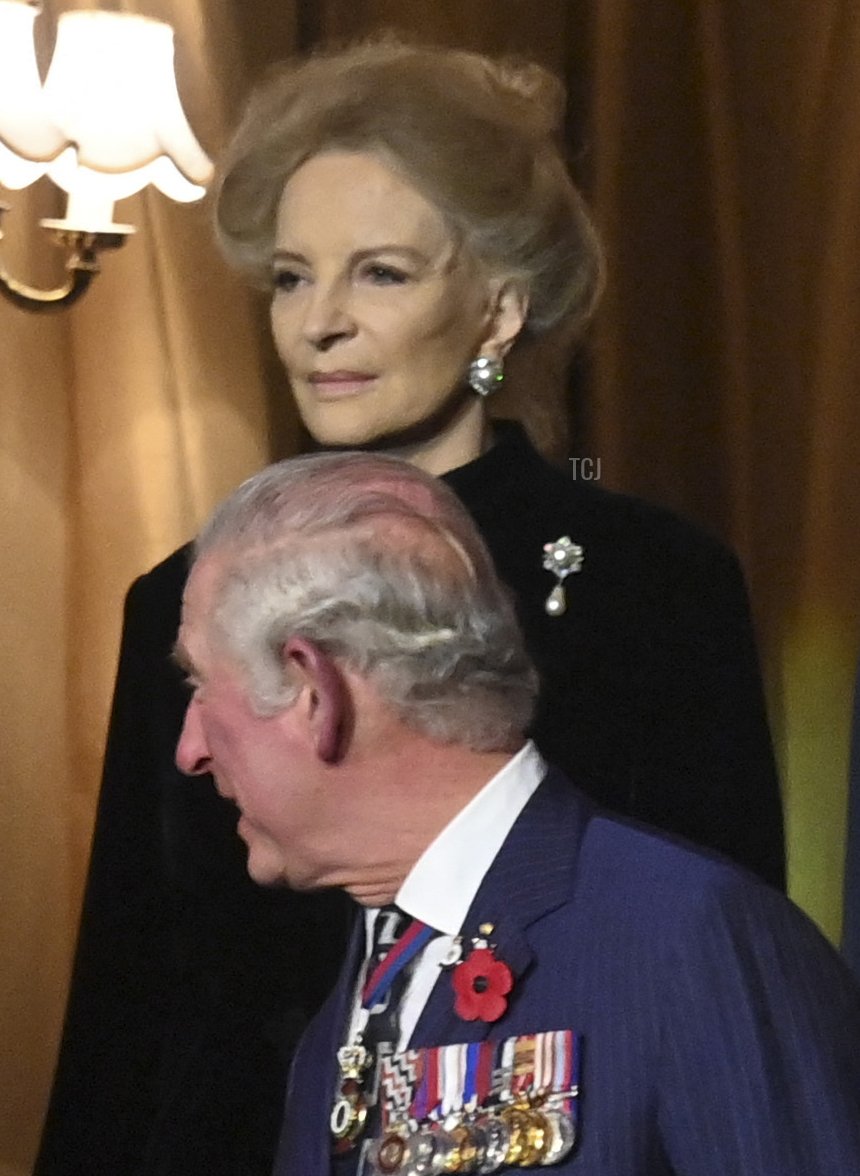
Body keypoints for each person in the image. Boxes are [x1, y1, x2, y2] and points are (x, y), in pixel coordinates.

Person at [35, 38, 785, 1176]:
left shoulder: (652, 585)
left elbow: (727, 985)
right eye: (292, 276)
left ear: (497, 309)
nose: (317, 323)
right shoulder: (180, 600)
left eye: (379, 272)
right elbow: (129, 1008)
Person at [174, 449, 860, 1176]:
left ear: (314, 691)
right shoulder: (350, 1001)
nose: (190, 751)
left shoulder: (693, 942)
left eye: (199, 684)